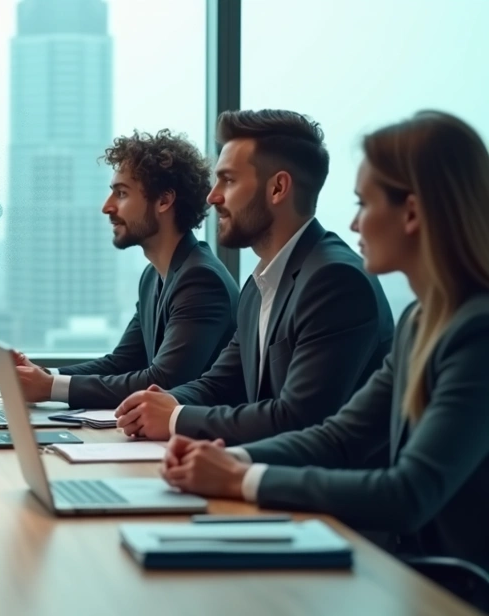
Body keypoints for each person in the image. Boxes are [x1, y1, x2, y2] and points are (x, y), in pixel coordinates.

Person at [161, 110, 489, 576]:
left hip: (453, 591)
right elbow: (340, 437)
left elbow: (408, 494)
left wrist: (242, 478)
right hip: (414, 575)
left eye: (363, 204)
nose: (354, 224)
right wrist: (225, 458)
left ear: (412, 213)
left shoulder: (477, 333)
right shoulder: (421, 321)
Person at [115, 109, 395, 445]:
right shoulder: (259, 284)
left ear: (277, 188)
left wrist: (174, 418)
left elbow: (298, 418)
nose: (213, 196)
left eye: (229, 180)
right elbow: (220, 383)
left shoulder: (335, 280)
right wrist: (161, 403)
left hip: (320, 477)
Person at [0, 129, 238, 409]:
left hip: (201, 433)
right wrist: (44, 376)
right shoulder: (153, 277)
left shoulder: (201, 280)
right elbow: (123, 362)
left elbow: (163, 381)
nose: (107, 207)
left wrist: (49, 388)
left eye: (121, 193)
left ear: (164, 201)